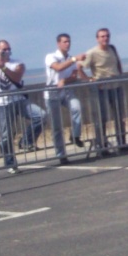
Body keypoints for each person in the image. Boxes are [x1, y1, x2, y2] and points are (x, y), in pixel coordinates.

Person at [0, 40, 45, 174]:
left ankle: (26, 141)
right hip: (1, 103)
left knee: (41, 115)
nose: (6, 52)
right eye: (3, 50)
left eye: (8, 49)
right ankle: (10, 163)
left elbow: (17, 78)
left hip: (18, 100)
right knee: (6, 135)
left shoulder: (18, 63)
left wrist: (4, 67)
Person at [82, 27, 128, 155]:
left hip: (115, 86)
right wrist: (89, 79)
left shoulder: (112, 48)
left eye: (107, 36)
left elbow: (118, 63)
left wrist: (120, 75)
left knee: (119, 116)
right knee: (102, 117)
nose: (105, 38)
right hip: (101, 88)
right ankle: (102, 145)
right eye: (102, 36)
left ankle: (122, 142)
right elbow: (79, 67)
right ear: (97, 39)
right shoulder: (92, 53)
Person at [45, 33, 87, 165]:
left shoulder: (70, 58)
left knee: (77, 108)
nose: (67, 44)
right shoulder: (51, 56)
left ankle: (75, 135)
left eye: (68, 41)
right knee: (57, 126)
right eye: (64, 42)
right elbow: (58, 67)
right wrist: (74, 59)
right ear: (58, 43)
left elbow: (74, 76)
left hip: (66, 92)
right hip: (52, 94)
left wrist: (65, 80)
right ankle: (61, 154)